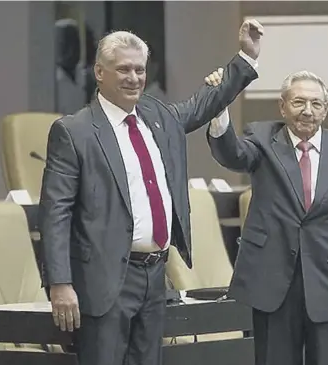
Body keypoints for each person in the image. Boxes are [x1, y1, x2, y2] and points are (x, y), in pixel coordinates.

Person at [38, 20, 263, 365]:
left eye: (140, 69)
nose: (134, 78)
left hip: (155, 274)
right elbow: (56, 212)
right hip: (105, 279)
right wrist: (60, 283)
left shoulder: (157, 115)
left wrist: (245, 58)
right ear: (99, 72)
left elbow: (202, 104)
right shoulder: (74, 131)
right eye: (123, 69)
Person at [204, 69, 328, 365]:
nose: (307, 111)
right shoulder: (261, 139)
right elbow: (231, 154)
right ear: (282, 106)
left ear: (326, 109)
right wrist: (220, 105)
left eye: (315, 104)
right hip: (273, 282)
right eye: (299, 102)